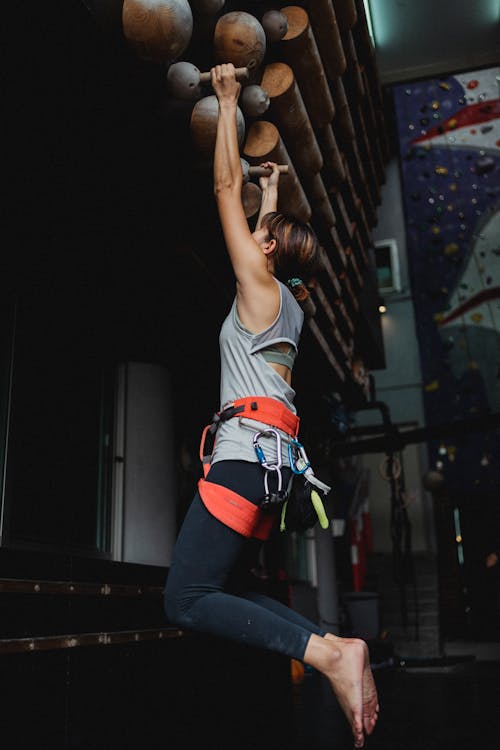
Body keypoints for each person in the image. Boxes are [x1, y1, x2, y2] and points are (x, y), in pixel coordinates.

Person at [164, 63, 379, 748]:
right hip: (271, 466)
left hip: (246, 458)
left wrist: (227, 102)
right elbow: (258, 221)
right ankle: (328, 647)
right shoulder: (287, 304)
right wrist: (275, 192)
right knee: (219, 586)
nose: (251, 238)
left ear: (265, 251)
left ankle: (328, 654)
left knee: (187, 599)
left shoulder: (258, 287)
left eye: (260, 234)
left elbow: (224, 184)